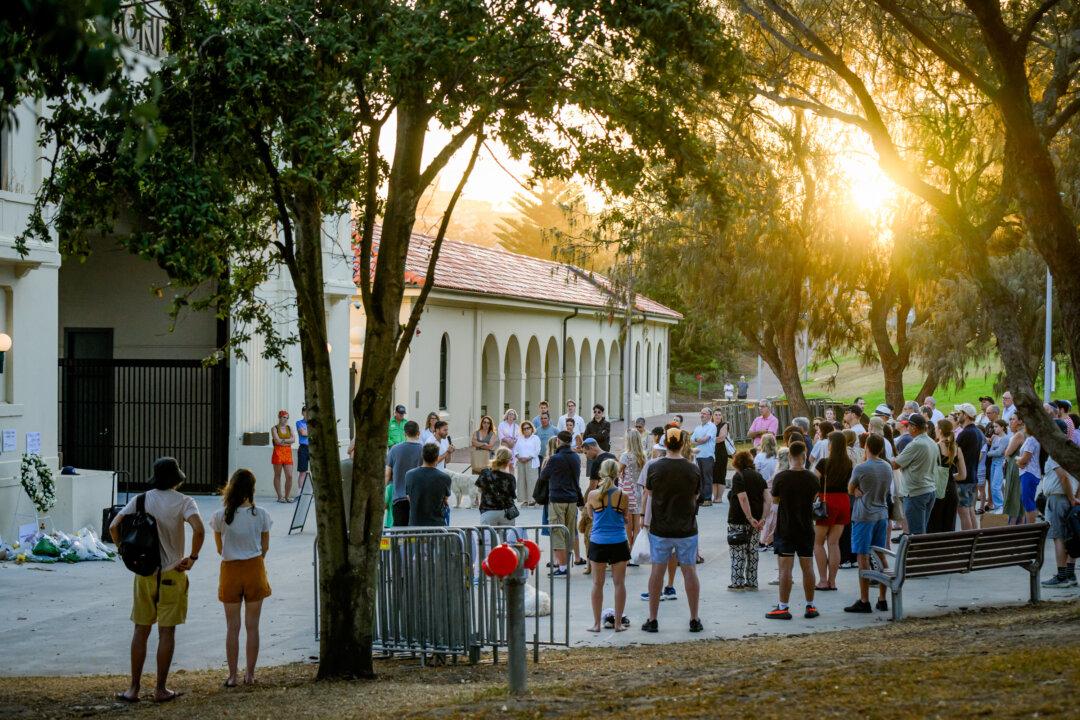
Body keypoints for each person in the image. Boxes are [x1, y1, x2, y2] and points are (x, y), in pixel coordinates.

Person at [110, 457, 204, 704]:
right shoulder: (185, 502)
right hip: (173, 572)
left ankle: (133, 688)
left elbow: (113, 526)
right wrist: (192, 557)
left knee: (141, 630)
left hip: (144, 574)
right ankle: (160, 688)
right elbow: (199, 529)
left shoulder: (141, 499)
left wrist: (123, 550)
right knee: (166, 632)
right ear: (176, 479)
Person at [210, 469, 272, 687]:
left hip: (230, 570)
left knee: (232, 627)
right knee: (252, 626)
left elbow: (219, 548)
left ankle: (232, 675)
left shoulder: (220, 516)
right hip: (254, 568)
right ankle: (250, 674)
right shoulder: (261, 514)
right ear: (252, 489)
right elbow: (265, 547)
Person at [642, 427, 704, 633]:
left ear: (665, 444)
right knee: (690, 572)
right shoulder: (693, 469)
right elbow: (696, 495)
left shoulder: (655, 468)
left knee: (657, 572)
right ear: (683, 444)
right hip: (686, 527)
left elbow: (649, 492)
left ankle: (653, 619)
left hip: (661, 527)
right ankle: (694, 618)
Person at [766, 441, 819, 620]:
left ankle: (783, 606)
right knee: (808, 567)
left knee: (785, 568)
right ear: (804, 456)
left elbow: (775, 500)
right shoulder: (812, 478)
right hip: (806, 526)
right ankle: (810, 605)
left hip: (786, 526)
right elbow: (814, 498)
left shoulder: (781, 477)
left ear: (789, 457)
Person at [844, 434, 891, 613]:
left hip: (864, 514)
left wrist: (856, 489)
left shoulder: (861, 468)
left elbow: (850, 488)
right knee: (880, 555)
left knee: (862, 556)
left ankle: (864, 600)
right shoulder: (886, 467)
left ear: (867, 448)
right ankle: (882, 597)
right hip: (881, 512)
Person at [586, 458, 631, 632]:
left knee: (597, 583)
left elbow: (590, 515)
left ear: (601, 473)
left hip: (598, 541)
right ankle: (618, 623)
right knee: (619, 583)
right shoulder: (623, 495)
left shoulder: (593, 494)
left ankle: (597, 624)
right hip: (619, 541)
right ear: (618, 473)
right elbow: (625, 517)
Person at [1040, 419, 1080, 588]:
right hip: (1072, 499)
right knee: (1073, 533)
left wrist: (1072, 497)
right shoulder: (1073, 451)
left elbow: (1062, 477)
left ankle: (1062, 576)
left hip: (1058, 498)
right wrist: (1077, 497)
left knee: (1059, 536)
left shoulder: (1057, 452)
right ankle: (1070, 574)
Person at [813, 431, 852, 591]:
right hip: (843, 501)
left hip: (826, 501)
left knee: (818, 543)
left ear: (831, 445)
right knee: (834, 543)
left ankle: (823, 580)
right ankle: (833, 581)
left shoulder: (824, 463)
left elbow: (814, 482)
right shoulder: (848, 463)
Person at [541, 431, 583, 576]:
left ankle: (563, 567)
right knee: (569, 532)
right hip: (572, 499)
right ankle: (566, 564)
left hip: (558, 498)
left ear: (558, 441)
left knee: (557, 532)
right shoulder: (576, 457)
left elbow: (543, 476)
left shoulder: (555, 458)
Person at [891, 414, 938, 535]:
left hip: (916, 493)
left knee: (916, 533)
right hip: (928, 489)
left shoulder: (915, 444)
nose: (907, 428)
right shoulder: (932, 442)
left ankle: (917, 554)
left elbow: (896, 464)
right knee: (922, 529)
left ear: (914, 428)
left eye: (909, 426)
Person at [728, 450, 766, 590]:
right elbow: (767, 498)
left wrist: (749, 517)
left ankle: (737, 583)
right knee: (752, 551)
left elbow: (742, 498)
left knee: (738, 551)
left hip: (738, 519)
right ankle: (752, 582)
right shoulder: (758, 476)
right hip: (757, 521)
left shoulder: (738, 476)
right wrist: (762, 518)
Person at [927, 418, 964, 534]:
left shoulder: (934, 447)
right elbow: (963, 475)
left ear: (940, 431)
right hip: (952, 490)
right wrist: (950, 477)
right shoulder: (956, 449)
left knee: (933, 526)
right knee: (949, 527)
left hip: (936, 491)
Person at [385, 421, 423, 527]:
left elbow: (387, 474)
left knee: (399, 533)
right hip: (417, 498)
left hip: (399, 497)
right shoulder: (423, 450)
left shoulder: (395, 449)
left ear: (404, 433)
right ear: (418, 433)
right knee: (416, 533)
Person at [405, 443, 451, 526]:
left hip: (415, 524)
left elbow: (409, 497)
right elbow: (445, 499)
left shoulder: (409, 475)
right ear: (437, 458)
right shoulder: (445, 478)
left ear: (422, 456)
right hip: (436, 525)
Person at [953, 404, 981, 530]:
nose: (957, 416)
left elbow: (954, 454)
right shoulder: (977, 432)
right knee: (970, 511)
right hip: (972, 476)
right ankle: (975, 539)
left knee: (963, 513)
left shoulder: (966, 433)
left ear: (966, 415)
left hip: (963, 477)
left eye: (959, 413)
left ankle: (968, 541)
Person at [475, 447, 518, 526]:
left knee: (488, 537)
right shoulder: (510, 478)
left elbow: (479, 490)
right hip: (506, 513)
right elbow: (512, 495)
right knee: (506, 538)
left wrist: (480, 506)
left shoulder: (485, 473)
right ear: (508, 461)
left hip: (488, 511)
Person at [619, 429, 647, 549]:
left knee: (627, 526)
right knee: (637, 527)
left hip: (628, 491)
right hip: (639, 491)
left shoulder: (626, 456)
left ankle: (628, 552)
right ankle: (634, 553)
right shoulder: (643, 456)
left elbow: (618, 471)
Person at [755, 433, 779, 551]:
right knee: (774, 515)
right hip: (776, 487)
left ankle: (762, 540)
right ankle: (771, 539)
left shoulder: (760, 456)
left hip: (763, 487)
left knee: (765, 514)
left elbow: (756, 472)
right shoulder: (777, 456)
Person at [690, 407, 717, 505]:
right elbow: (691, 440)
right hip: (698, 455)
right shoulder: (697, 428)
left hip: (708, 455)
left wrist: (697, 440)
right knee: (699, 478)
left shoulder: (712, 426)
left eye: (704, 413)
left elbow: (705, 440)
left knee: (707, 477)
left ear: (710, 416)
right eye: (701, 413)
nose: (702, 415)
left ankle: (708, 499)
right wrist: (698, 440)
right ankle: (701, 498)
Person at [1017, 420, 1042, 524]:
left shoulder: (1031, 440)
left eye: (1025, 423)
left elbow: (1025, 459)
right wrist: (1020, 461)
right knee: (1027, 500)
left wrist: (1017, 459)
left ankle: (1031, 527)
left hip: (1029, 472)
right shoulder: (1034, 439)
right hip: (1029, 472)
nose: (1024, 425)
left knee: (1028, 501)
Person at [270, 410, 295, 503]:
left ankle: (287, 496)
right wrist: (287, 441)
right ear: (279, 417)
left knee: (289, 475)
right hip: (278, 453)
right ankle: (280, 496)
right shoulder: (274, 428)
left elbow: (293, 439)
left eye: (287, 418)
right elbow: (277, 441)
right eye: (284, 417)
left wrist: (283, 441)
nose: (286, 419)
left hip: (288, 453)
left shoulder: (289, 428)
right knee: (278, 475)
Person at [984, 419, 1009, 514]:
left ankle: (1000, 506)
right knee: (993, 486)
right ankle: (997, 506)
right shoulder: (995, 438)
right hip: (993, 463)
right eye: (994, 427)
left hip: (1000, 463)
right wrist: (992, 451)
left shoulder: (1005, 438)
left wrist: (989, 453)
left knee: (996, 486)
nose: (994, 428)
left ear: (1002, 427)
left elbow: (999, 452)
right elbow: (994, 450)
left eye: (996, 426)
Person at [514, 420, 541, 505]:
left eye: (528, 428)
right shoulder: (519, 438)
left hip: (531, 461)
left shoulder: (535, 438)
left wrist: (528, 458)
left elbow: (537, 450)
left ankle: (532, 499)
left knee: (532, 480)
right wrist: (519, 457)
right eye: (524, 429)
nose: (526, 430)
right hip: (521, 461)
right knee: (522, 481)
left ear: (531, 429)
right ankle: (524, 500)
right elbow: (515, 450)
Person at [712, 408, 731, 504]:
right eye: (716, 414)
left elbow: (721, 438)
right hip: (712, 453)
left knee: (720, 474)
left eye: (719, 414)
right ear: (712, 416)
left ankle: (719, 497)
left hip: (721, 453)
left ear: (722, 416)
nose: (718, 416)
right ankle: (715, 497)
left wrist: (707, 439)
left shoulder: (724, 425)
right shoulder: (710, 426)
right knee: (714, 475)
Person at [295, 407, 310, 490]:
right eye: (305, 412)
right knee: (302, 472)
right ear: (302, 413)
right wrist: (312, 432)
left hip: (313, 448)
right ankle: (300, 492)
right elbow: (303, 433)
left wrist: (307, 431)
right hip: (303, 448)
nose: (307, 413)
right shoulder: (299, 422)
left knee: (316, 471)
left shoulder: (314, 423)